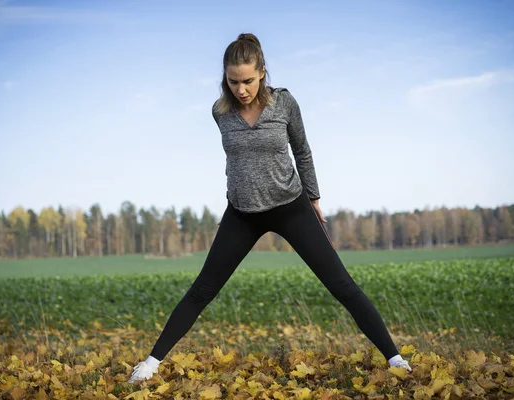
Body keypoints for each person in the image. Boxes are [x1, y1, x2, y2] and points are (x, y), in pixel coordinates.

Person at [128, 33, 412, 383]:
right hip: (242, 214)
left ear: (262, 72)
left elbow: (302, 151)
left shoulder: (285, 104)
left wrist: (314, 198)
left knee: (341, 285)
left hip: (290, 207)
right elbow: (237, 162)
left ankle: (396, 358)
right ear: (224, 79)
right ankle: (150, 364)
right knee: (203, 289)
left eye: (248, 80)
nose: (241, 89)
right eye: (233, 81)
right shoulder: (220, 112)